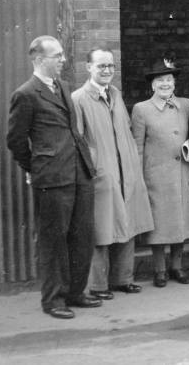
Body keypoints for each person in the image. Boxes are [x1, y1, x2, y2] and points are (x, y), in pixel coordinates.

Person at [7, 35, 100, 319]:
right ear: (39, 60)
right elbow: (15, 140)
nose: (63, 60)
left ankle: (75, 292)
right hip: (52, 178)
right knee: (54, 241)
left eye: (61, 55)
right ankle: (53, 300)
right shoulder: (25, 94)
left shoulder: (64, 87)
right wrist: (36, 168)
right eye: (57, 55)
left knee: (82, 236)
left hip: (79, 172)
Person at [72, 46, 154, 300]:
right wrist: (93, 169)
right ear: (89, 68)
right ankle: (97, 285)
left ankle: (123, 279)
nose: (107, 71)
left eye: (110, 66)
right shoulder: (79, 99)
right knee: (101, 230)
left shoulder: (115, 94)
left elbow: (125, 130)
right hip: (101, 173)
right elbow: (77, 141)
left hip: (124, 170)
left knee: (126, 223)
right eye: (101, 66)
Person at [131, 59, 189, 286]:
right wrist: (139, 179)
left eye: (169, 80)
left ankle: (177, 267)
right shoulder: (142, 109)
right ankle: (159, 270)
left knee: (180, 221)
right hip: (155, 177)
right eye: (160, 80)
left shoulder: (186, 104)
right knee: (160, 223)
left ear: (175, 84)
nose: (165, 84)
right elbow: (138, 147)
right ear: (152, 85)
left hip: (181, 172)